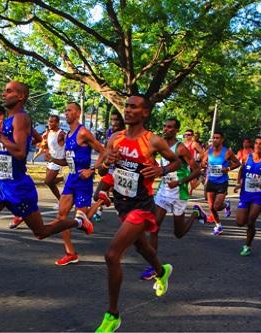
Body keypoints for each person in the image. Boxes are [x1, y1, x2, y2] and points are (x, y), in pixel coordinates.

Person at [0, 81, 93, 301]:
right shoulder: (9, 120)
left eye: (8, 90)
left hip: (18, 188)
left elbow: (19, 152)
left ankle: (78, 222)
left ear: (20, 97)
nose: (3, 92)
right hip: (1, 185)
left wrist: (0, 136)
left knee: (41, 232)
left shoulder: (20, 118)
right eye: (4, 89)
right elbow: (29, 141)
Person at [95, 95, 180, 332]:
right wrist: (105, 164)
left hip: (142, 206)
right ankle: (162, 272)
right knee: (142, 247)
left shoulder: (153, 141)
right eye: (126, 106)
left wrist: (161, 169)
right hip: (123, 204)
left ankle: (113, 315)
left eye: (134, 107)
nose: (128, 110)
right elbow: (104, 169)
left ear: (145, 113)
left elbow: (177, 162)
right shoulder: (115, 138)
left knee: (112, 255)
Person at [140, 118, 205, 281]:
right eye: (164, 126)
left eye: (170, 127)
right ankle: (153, 266)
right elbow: (150, 160)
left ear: (176, 131)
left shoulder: (181, 148)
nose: (166, 129)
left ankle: (196, 214)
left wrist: (180, 181)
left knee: (179, 233)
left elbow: (197, 170)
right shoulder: (159, 145)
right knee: (154, 227)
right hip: (163, 192)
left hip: (179, 193)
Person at [49, 102, 105, 266]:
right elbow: (68, 161)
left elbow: (103, 151)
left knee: (81, 220)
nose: (66, 113)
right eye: (65, 111)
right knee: (61, 216)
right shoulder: (67, 135)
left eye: (70, 110)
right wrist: (52, 159)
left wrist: (92, 169)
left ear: (78, 113)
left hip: (83, 179)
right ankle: (70, 253)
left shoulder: (83, 132)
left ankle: (101, 201)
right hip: (71, 178)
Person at [234, 136, 261, 256]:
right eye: (256, 143)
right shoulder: (247, 157)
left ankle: (247, 245)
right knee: (240, 222)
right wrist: (239, 182)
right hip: (245, 194)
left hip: (258, 195)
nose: (258, 146)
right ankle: (246, 212)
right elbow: (241, 170)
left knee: (251, 221)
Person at [200, 131, 240, 235]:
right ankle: (218, 226)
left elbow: (237, 163)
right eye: (214, 138)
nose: (215, 140)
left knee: (217, 206)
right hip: (211, 181)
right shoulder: (208, 151)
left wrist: (228, 168)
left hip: (222, 182)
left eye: (217, 138)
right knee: (211, 207)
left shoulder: (227, 152)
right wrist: (204, 164)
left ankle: (226, 204)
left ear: (222, 140)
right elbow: (203, 163)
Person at [88, 116, 126, 223]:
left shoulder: (127, 138)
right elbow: (104, 153)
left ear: (122, 127)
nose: (113, 128)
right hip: (111, 172)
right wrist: (99, 165)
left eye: (116, 126)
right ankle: (108, 203)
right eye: (112, 125)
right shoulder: (110, 135)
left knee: (123, 203)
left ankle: (103, 210)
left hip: (123, 174)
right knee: (97, 196)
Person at [43, 115, 66, 204]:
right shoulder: (48, 132)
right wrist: (46, 152)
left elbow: (69, 144)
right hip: (50, 160)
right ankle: (61, 200)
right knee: (50, 183)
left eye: (52, 122)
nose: (49, 123)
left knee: (48, 181)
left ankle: (63, 178)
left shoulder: (61, 134)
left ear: (57, 123)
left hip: (58, 161)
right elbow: (47, 146)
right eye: (49, 121)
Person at [183, 129, 204, 195]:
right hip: (184, 164)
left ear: (192, 136)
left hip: (192, 164)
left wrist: (198, 158)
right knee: (184, 178)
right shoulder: (183, 144)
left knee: (193, 183)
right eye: (185, 135)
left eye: (189, 135)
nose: (187, 136)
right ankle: (186, 191)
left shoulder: (194, 144)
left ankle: (200, 179)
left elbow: (202, 153)